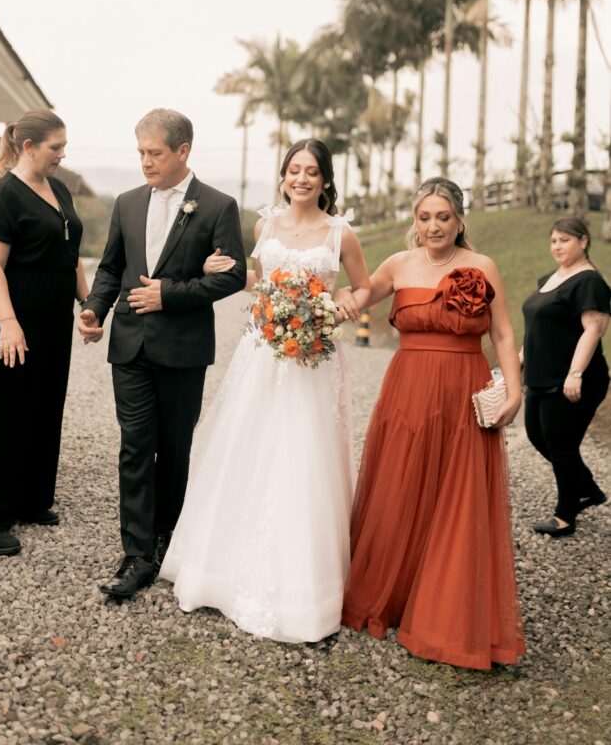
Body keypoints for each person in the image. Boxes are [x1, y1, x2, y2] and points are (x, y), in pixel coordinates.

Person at [160, 139, 370, 643]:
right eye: (294, 170)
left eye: (311, 172)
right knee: (244, 449)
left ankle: (301, 589)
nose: (301, 179)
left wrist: (344, 304)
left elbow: (361, 287)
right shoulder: (265, 225)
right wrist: (221, 271)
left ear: (325, 180)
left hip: (312, 358)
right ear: (283, 177)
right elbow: (256, 281)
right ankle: (220, 573)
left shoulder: (342, 232)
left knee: (304, 459)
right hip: (262, 353)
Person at [341, 177, 525, 669]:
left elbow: (504, 334)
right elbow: (357, 296)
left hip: (464, 389)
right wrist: (315, 296)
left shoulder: (481, 266)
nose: (433, 226)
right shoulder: (398, 265)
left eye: (443, 217)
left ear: (460, 220)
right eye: (425, 217)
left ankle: (445, 610)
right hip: (407, 389)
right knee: (401, 487)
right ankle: (392, 595)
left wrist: (513, 389)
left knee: (457, 495)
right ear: (414, 221)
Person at [78, 109, 246, 600]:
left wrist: (167, 294)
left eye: (154, 153)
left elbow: (231, 276)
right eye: (140, 153)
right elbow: (111, 268)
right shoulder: (127, 203)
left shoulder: (218, 206)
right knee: (134, 444)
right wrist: (94, 311)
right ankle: (136, 552)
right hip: (129, 345)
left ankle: (170, 537)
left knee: (174, 448)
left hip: (183, 349)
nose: (145, 162)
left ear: (182, 152)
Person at [0, 110, 89, 556]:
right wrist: (9, 324)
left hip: (50, 319)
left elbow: (70, 251)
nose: (63, 153)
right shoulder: (4, 196)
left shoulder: (56, 188)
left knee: (41, 404)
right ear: (29, 146)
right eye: (56, 147)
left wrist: (85, 303)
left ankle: (29, 499)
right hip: (6, 318)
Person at [522, 216, 609, 538]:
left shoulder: (590, 281)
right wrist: (519, 358)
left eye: (565, 240)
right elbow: (540, 327)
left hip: (572, 378)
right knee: (537, 435)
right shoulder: (551, 278)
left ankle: (565, 514)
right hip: (541, 375)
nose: (557, 246)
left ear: (583, 242)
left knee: (561, 445)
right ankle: (586, 489)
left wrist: (576, 374)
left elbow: (594, 330)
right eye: (554, 240)